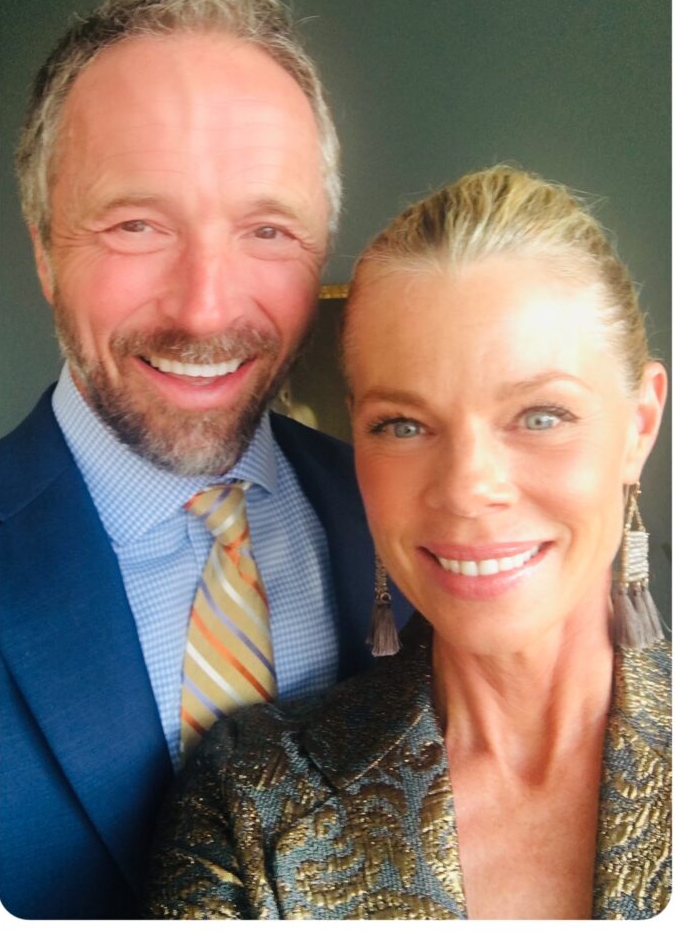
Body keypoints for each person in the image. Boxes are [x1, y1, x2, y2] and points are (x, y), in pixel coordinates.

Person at [0, 0, 411, 919]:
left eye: (268, 231)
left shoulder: (412, 522)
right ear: (41, 242)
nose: (205, 308)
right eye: (138, 224)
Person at [146, 165, 670, 920]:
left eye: (541, 415)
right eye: (403, 425)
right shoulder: (252, 799)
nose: (466, 487)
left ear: (639, 427)